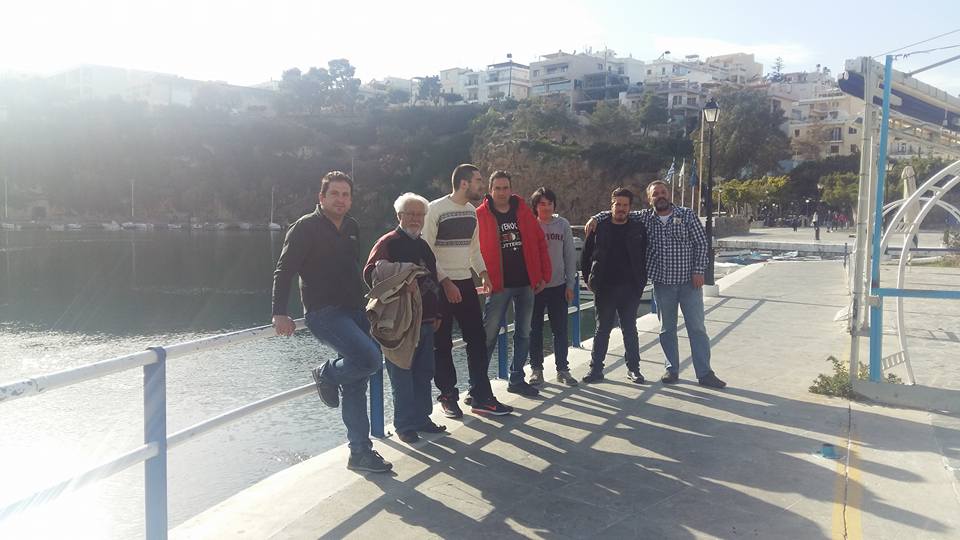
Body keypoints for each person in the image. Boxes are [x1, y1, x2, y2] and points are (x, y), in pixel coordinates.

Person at [272, 171, 392, 473]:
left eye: (346, 195)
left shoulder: (351, 226)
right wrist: (279, 312)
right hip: (324, 313)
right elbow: (284, 271)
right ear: (321, 197)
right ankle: (326, 373)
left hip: (356, 311)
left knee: (356, 384)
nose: (341, 199)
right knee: (371, 359)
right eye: (335, 194)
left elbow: (352, 268)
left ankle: (360, 452)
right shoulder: (305, 227)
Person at [586, 181, 726, 388]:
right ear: (649, 198)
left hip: (689, 283)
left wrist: (699, 271)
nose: (660, 196)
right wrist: (595, 218)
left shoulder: (687, 215)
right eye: (655, 194)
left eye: (663, 192)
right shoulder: (645, 218)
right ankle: (671, 369)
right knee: (667, 329)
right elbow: (617, 211)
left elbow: (701, 244)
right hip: (663, 283)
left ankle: (704, 373)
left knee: (696, 328)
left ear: (668, 194)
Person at [421, 164, 512, 418]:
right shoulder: (435, 209)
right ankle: (448, 397)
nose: (481, 185)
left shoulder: (471, 212)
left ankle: (481, 396)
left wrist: (484, 274)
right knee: (442, 343)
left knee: (477, 340)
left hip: (465, 283)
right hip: (440, 286)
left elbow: (474, 250)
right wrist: (446, 282)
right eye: (478, 180)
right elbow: (426, 252)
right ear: (464, 183)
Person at [364, 193, 447, 444]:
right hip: (400, 322)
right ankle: (404, 425)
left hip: (426, 321)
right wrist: (401, 285)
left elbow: (433, 280)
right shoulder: (388, 243)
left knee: (424, 372)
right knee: (401, 374)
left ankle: (422, 419)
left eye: (420, 214)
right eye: (410, 214)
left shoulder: (423, 246)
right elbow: (370, 274)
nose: (415, 219)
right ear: (399, 216)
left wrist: (438, 313)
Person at [476, 171, 551, 397]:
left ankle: (516, 379)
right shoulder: (480, 215)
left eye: (505, 188)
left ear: (511, 189)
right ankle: (478, 385)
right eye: (497, 188)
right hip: (498, 285)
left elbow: (540, 242)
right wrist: (481, 275)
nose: (502, 192)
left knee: (524, 333)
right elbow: (472, 250)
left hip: (526, 283)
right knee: (488, 335)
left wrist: (544, 275)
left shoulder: (523, 211)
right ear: (490, 190)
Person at [579, 187, 648, 384]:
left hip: (630, 288)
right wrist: (588, 279)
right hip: (604, 287)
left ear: (630, 208)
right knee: (602, 330)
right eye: (618, 204)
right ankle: (595, 370)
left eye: (625, 205)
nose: (621, 208)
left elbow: (644, 255)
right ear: (611, 205)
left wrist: (640, 283)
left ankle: (634, 369)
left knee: (630, 329)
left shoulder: (638, 228)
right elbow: (585, 255)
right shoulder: (599, 227)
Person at [528, 187, 579, 387]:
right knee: (535, 330)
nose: (546, 207)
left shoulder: (562, 225)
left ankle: (562, 369)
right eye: (542, 204)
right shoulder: (530, 225)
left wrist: (570, 284)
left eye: (550, 203)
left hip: (558, 286)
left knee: (560, 330)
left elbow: (569, 255)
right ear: (535, 206)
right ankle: (536, 370)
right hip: (536, 288)